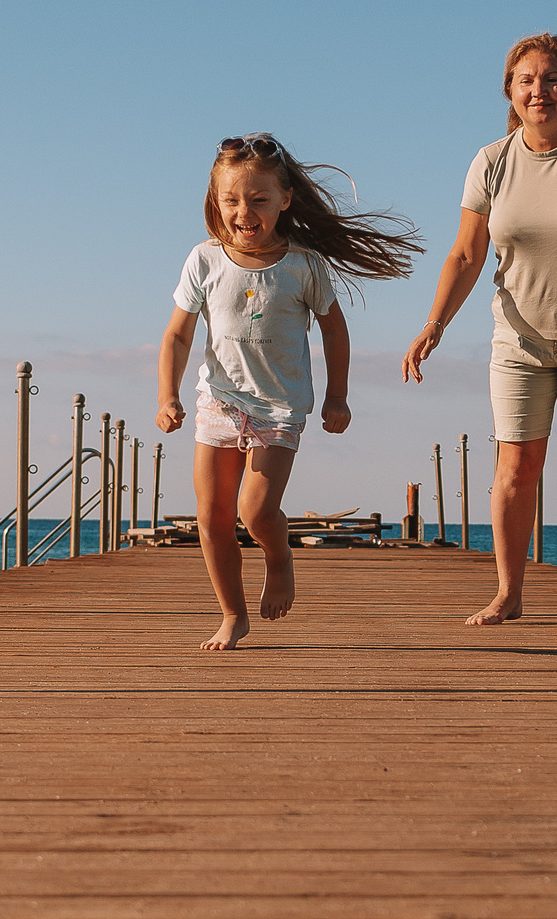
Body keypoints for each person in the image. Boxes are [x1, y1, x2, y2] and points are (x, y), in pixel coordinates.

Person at [400, 34, 557, 628]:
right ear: (510, 92)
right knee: (515, 466)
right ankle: (508, 593)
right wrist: (434, 324)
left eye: (552, 80)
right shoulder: (491, 162)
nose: (539, 90)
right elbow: (466, 255)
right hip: (518, 339)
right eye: (527, 81)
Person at [159, 135, 420, 651]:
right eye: (232, 200)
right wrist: (168, 395)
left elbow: (334, 329)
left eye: (258, 199)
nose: (244, 212)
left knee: (256, 512)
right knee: (211, 516)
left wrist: (337, 396)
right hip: (219, 401)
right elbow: (177, 335)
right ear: (216, 201)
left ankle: (278, 557)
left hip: (279, 407)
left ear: (284, 200)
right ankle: (232, 614)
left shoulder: (303, 263)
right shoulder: (204, 259)